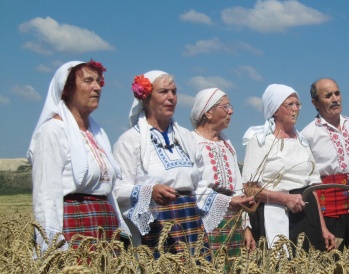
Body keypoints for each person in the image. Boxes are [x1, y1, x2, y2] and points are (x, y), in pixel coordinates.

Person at [28, 60, 130, 253]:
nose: (97, 87)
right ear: (66, 89)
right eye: (88, 81)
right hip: (75, 225)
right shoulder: (53, 131)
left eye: (99, 81)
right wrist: (52, 246)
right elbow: (46, 193)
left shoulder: (97, 133)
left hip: (105, 225)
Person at [113, 70, 210, 258]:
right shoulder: (130, 141)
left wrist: (231, 201)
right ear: (146, 98)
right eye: (163, 92)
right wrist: (150, 191)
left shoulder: (187, 139)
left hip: (190, 219)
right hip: (156, 223)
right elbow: (117, 189)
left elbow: (200, 184)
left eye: (174, 92)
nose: (171, 97)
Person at [242, 84, 336, 255]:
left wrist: (323, 227)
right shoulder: (260, 141)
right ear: (275, 109)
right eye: (290, 105)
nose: (295, 109)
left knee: (309, 269)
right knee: (281, 270)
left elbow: (313, 188)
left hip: (307, 214)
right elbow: (249, 188)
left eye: (297, 104)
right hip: (275, 213)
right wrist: (284, 199)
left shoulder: (302, 142)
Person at [301, 78, 349, 259]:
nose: (335, 99)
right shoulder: (308, 134)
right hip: (329, 213)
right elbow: (308, 177)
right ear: (315, 103)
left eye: (337, 93)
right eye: (328, 95)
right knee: (329, 268)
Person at [190, 88, 255, 257]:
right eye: (225, 107)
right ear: (208, 112)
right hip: (206, 218)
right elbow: (194, 187)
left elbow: (238, 188)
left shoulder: (227, 143)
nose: (231, 111)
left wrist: (246, 227)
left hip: (233, 219)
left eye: (230, 106)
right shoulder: (191, 142)